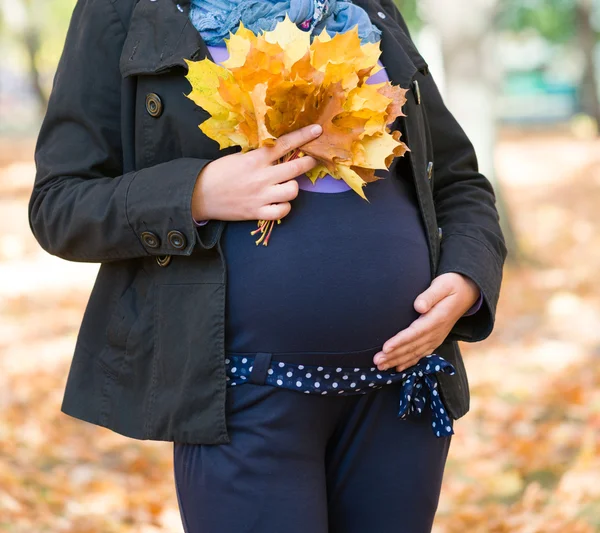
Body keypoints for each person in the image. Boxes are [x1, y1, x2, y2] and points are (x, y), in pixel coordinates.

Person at [29, 0, 507, 532]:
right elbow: (59, 205)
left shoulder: (367, 10)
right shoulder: (127, 11)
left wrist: (468, 277)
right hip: (240, 402)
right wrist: (195, 194)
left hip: (401, 396)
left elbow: (458, 182)